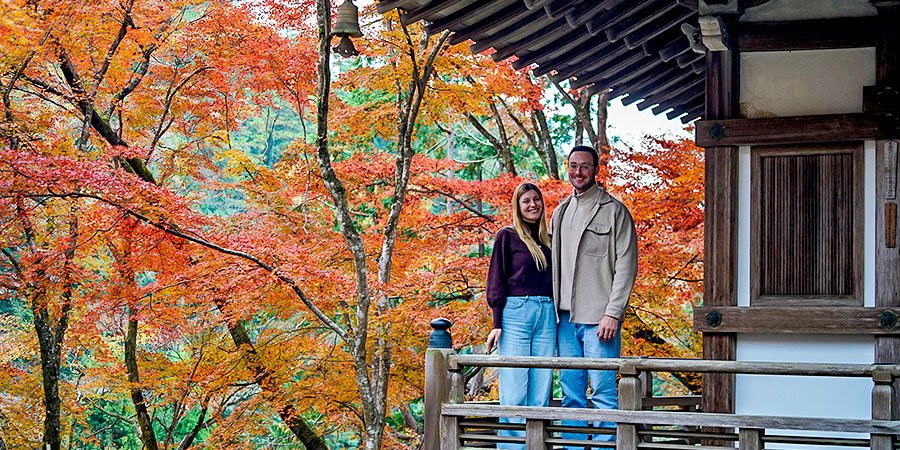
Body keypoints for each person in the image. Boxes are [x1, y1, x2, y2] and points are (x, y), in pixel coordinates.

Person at [551, 145, 638, 443]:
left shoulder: (614, 211)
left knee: (603, 394)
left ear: (596, 169)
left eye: (585, 166)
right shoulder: (560, 211)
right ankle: (573, 448)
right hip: (564, 320)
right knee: (571, 396)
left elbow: (626, 265)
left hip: (600, 320)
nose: (578, 172)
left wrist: (613, 312)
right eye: (573, 166)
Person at [485, 181, 556, 449]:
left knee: (541, 389)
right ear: (517, 206)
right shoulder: (507, 235)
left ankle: (536, 445)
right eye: (526, 201)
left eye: (536, 199)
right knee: (515, 389)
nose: (532, 205)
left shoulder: (550, 240)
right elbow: (496, 279)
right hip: (516, 314)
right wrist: (497, 323)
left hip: (547, 313)